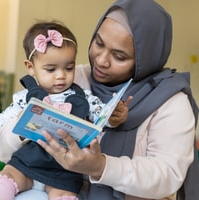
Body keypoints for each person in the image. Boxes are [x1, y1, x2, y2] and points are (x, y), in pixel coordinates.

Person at [36, 0, 199, 200]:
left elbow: (168, 175)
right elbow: (6, 143)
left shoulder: (171, 101)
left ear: (146, 60)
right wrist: (24, 131)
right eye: (99, 43)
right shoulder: (74, 78)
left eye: (119, 56)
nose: (101, 60)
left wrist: (101, 166)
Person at [0, 21, 131, 200]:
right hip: (27, 161)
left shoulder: (83, 96)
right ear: (31, 68)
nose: (61, 75)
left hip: (65, 170)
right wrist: (19, 121)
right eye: (51, 69)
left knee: (65, 195)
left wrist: (113, 117)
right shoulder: (25, 96)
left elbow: (101, 115)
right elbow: (3, 120)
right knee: (7, 179)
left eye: (69, 68)